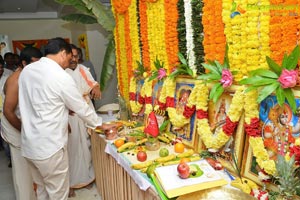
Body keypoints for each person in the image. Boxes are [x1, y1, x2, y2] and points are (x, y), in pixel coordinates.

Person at [18, 37, 112, 200]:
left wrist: (61, 109)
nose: (70, 62)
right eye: (69, 58)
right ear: (62, 53)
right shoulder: (60, 76)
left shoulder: (28, 71)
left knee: (42, 190)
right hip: (50, 148)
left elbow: (35, 100)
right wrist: (100, 124)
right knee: (58, 194)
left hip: (29, 146)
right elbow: (80, 107)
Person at [1, 46, 42, 200]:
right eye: (34, 64)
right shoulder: (15, 80)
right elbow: (8, 111)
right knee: (22, 170)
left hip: (25, 125)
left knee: (33, 167)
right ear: (24, 63)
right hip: (15, 126)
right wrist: (24, 131)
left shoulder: (29, 75)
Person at [65, 44, 101, 197]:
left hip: (85, 110)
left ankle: (87, 179)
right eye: (71, 56)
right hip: (70, 114)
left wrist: (96, 88)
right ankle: (69, 184)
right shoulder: (61, 72)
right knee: (71, 149)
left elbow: (93, 83)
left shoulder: (82, 69)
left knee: (86, 147)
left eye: (76, 55)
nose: (74, 59)